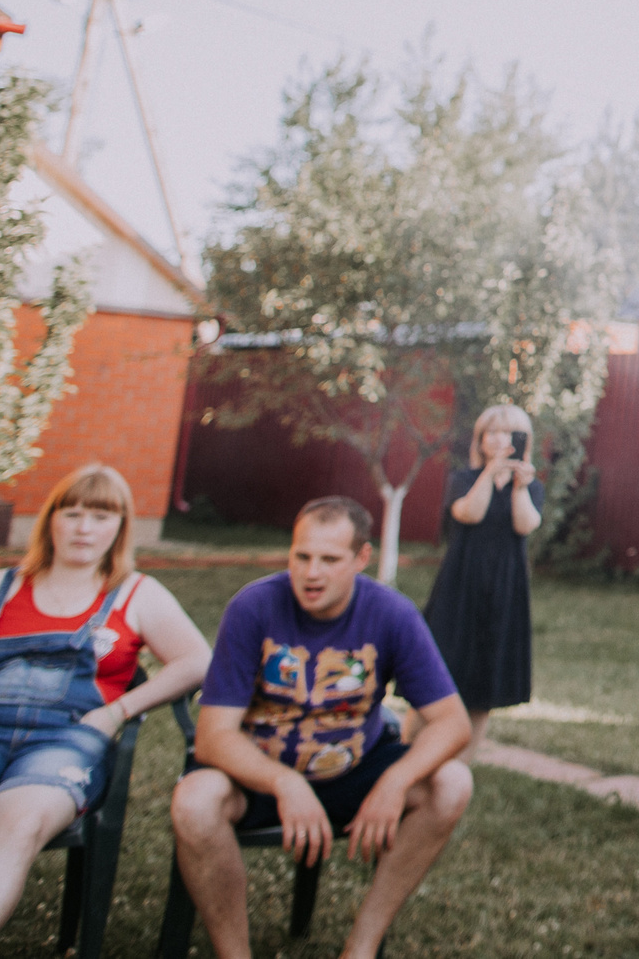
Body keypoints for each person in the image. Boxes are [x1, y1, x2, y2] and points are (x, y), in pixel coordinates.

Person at [0, 464, 211, 959]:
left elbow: (197, 661)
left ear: (121, 527)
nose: (83, 528)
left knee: (19, 827)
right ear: (50, 519)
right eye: (71, 513)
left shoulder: (136, 593)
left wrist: (119, 710)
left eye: (101, 516)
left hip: (67, 740)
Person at [170, 496, 474, 959]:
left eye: (329, 560)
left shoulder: (391, 614)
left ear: (361, 558)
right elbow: (213, 737)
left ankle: (361, 947)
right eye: (302, 556)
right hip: (257, 775)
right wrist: (284, 782)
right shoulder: (253, 607)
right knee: (194, 802)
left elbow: (452, 723)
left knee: (452, 783)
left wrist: (395, 781)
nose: (311, 573)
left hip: (353, 771)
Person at [423, 402, 543, 755]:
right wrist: (490, 473)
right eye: (491, 432)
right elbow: (469, 514)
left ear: (523, 440)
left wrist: (519, 487)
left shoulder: (531, 486)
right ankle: (410, 749)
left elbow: (525, 525)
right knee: (439, 672)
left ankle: (463, 761)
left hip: (504, 586)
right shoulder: (463, 479)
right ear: (480, 439)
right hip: (461, 581)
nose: (500, 439)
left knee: (485, 680)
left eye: (509, 433)